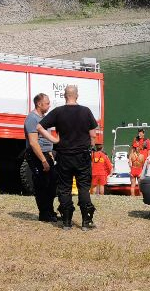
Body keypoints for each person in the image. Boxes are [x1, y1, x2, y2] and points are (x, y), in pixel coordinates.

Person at [38, 84, 98, 229]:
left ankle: (66, 222)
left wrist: (54, 140)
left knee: (64, 189)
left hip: (64, 156)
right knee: (83, 187)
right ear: (76, 95)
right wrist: (90, 147)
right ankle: (86, 222)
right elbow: (93, 135)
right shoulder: (86, 111)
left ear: (65, 96)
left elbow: (39, 127)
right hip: (82, 156)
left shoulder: (58, 112)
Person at [25, 93, 58, 222]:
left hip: (46, 154)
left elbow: (46, 139)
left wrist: (50, 153)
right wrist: (43, 160)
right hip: (37, 156)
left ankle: (50, 211)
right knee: (42, 184)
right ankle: (44, 214)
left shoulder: (43, 118)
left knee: (51, 183)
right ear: (39, 104)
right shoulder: (32, 119)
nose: (49, 105)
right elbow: (33, 142)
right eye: (47, 103)